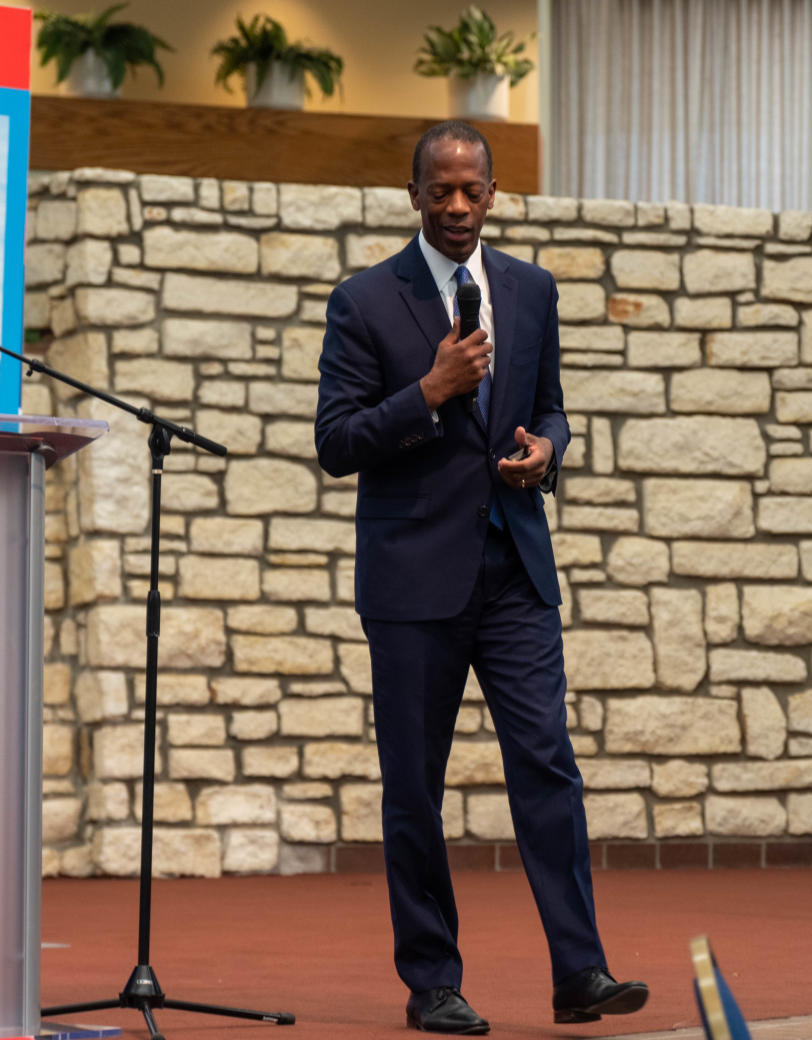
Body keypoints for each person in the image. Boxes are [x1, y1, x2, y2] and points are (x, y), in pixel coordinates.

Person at [315, 120, 649, 1035]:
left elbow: (551, 406)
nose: (457, 206)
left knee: (547, 766)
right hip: (414, 581)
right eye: (441, 191)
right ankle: (432, 982)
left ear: (494, 193)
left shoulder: (532, 292)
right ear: (414, 193)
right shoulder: (364, 302)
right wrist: (427, 392)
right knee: (414, 784)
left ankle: (580, 971)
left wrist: (548, 451)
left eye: (473, 191)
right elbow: (336, 442)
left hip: (514, 570)